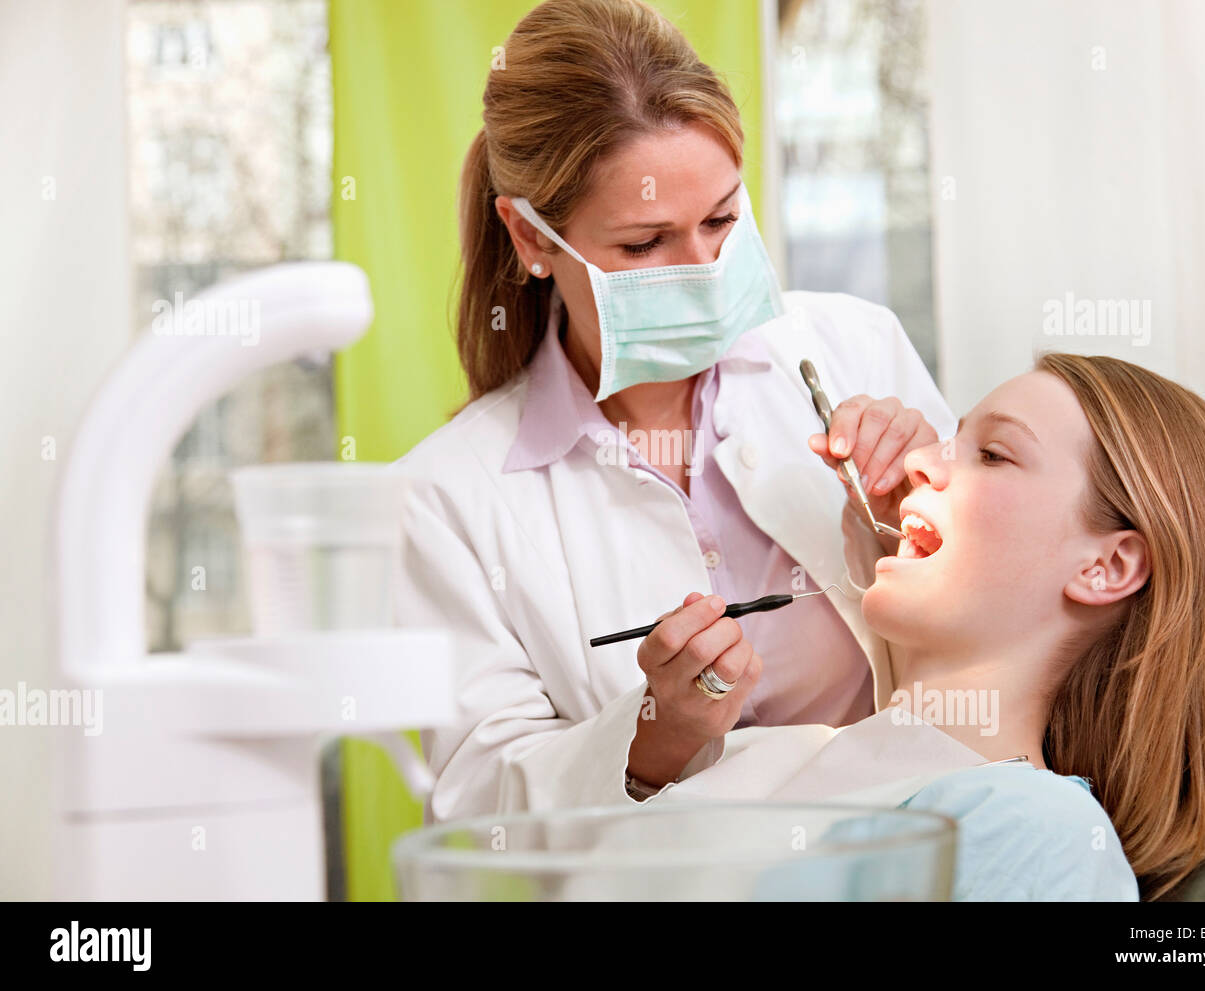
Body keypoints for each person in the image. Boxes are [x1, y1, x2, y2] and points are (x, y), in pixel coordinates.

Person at [393, 0, 950, 821]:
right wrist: (653, 735)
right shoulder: (447, 494)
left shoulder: (856, 348)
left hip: (914, 854)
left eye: (722, 218)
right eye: (645, 245)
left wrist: (920, 528)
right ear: (531, 237)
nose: (703, 268)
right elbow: (483, 798)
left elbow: (1010, 630)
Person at [657, 353, 1205, 900]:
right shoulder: (761, 755)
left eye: (992, 454)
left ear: (1107, 566)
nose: (918, 464)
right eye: (951, 439)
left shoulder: (1041, 830)